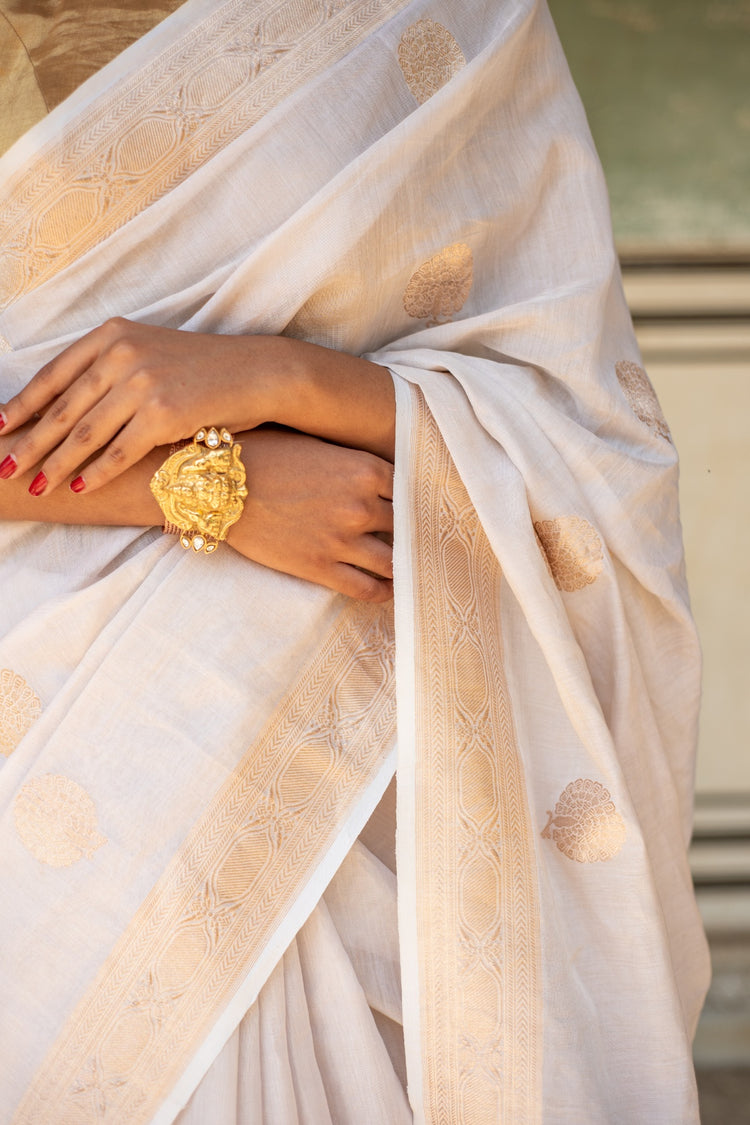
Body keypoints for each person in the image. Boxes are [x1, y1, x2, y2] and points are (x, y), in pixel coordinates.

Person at [0, 0, 710, 1121]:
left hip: (379, 772)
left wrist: (281, 380)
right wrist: (210, 486)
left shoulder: (441, 18)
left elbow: (594, 436)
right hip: (51, 731)